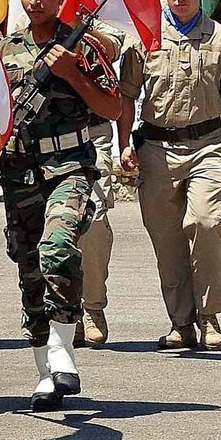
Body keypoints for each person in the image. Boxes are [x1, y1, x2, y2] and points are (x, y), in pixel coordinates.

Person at [0, 0, 123, 410]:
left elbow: (112, 108)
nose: (35, 1)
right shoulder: (6, 51)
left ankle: (64, 350)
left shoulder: (83, 47)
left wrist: (72, 74)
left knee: (58, 246)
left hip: (68, 166)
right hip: (18, 172)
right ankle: (45, 374)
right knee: (30, 270)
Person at [126, 0, 221, 351]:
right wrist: (123, 148)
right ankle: (180, 323)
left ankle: (209, 315)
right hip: (156, 149)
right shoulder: (144, 37)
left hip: (207, 145)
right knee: (167, 241)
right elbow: (126, 97)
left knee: (206, 221)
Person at [78, 23, 145, 349]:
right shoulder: (25, 26)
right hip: (43, 142)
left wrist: (82, 27)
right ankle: (65, 310)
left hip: (91, 138)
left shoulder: (91, 17)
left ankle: (92, 306)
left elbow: (116, 48)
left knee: (93, 223)